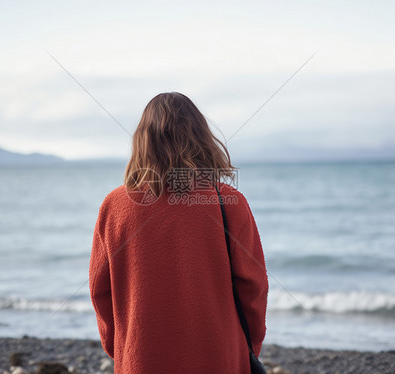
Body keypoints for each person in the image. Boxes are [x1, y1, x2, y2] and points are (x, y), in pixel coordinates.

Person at [89, 92, 269, 373]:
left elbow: (100, 290)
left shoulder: (114, 205)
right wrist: (248, 347)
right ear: (201, 138)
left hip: (141, 358)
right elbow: (254, 288)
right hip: (218, 357)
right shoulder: (227, 202)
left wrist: (122, 346)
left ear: (142, 141)